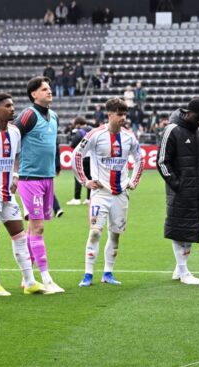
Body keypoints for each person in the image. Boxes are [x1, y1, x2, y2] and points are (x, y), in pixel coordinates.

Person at [0, 93, 45, 297]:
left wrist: (15, 176)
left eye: (13, 104)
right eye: (7, 105)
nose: (12, 108)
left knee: (20, 236)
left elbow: (15, 156)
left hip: (8, 192)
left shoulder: (15, 131)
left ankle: (30, 281)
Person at [72, 98, 142, 287]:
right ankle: (88, 274)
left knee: (115, 234)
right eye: (120, 114)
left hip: (120, 194)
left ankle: (108, 273)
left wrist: (133, 181)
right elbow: (77, 155)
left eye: (125, 114)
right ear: (109, 114)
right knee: (95, 232)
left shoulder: (129, 137)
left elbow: (139, 158)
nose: (123, 118)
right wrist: (85, 181)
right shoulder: (95, 135)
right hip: (101, 192)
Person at [14, 76, 64, 294]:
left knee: (34, 229)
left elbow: (53, 143)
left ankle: (28, 278)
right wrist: (14, 172)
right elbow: (12, 139)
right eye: (44, 89)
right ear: (34, 94)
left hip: (47, 177)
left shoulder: (53, 116)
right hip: (29, 178)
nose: (49, 91)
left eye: (50, 88)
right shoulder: (27, 115)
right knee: (38, 227)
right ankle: (46, 277)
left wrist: (56, 164)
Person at [157, 99, 199, 285]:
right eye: (198, 117)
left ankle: (180, 269)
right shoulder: (172, 130)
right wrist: (177, 184)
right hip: (181, 190)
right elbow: (162, 161)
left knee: (190, 229)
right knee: (179, 228)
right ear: (188, 112)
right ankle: (184, 271)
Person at [67, 117, 92, 205]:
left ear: (78, 124)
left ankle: (77, 198)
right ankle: (89, 199)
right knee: (90, 177)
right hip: (91, 157)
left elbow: (73, 144)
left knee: (78, 176)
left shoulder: (80, 132)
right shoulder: (92, 130)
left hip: (82, 157)